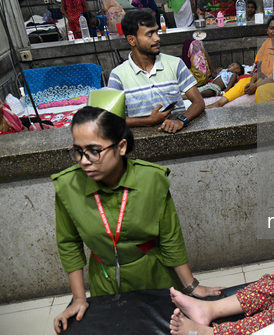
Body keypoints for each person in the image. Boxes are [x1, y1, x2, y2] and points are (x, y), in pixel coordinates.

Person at [52, 97, 222, 333]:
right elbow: (69, 242)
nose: (84, 161)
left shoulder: (151, 179)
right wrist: (79, 298)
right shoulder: (67, 186)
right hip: (104, 279)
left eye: (93, 151)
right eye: (78, 151)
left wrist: (190, 285)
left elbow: (170, 237)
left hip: (153, 274)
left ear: (121, 147)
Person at [107, 10, 204, 132]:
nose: (157, 38)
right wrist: (147, 122)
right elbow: (110, 118)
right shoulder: (118, 75)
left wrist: (181, 120)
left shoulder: (175, 64)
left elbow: (199, 102)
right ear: (132, 40)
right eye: (149, 34)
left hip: (179, 136)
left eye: (156, 32)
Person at [206, 16, 274, 108]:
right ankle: (219, 103)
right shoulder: (266, 44)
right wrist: (251, 83)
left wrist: (256, 86)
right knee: (243, 82)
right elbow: (258, 69)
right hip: (267, 78)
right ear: (267, 30)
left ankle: (268, 121)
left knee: (262, 90)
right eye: (271, 28)